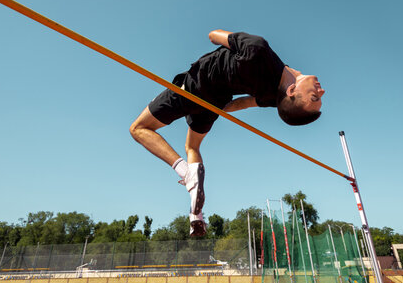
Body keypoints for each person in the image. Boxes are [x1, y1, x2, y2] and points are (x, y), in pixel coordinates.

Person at [129, 30, 325, 236]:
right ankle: (196, 215)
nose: (321, 91)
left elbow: (213, 35)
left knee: (139, 128)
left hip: (194, 86)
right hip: (215, 103)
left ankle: (186, 173)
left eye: (314, 97)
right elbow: (243, 103)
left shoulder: (257, 49)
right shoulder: (273, 96)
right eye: (318, 96)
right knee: (192, 147)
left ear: (292, 91)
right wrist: (214, 109)